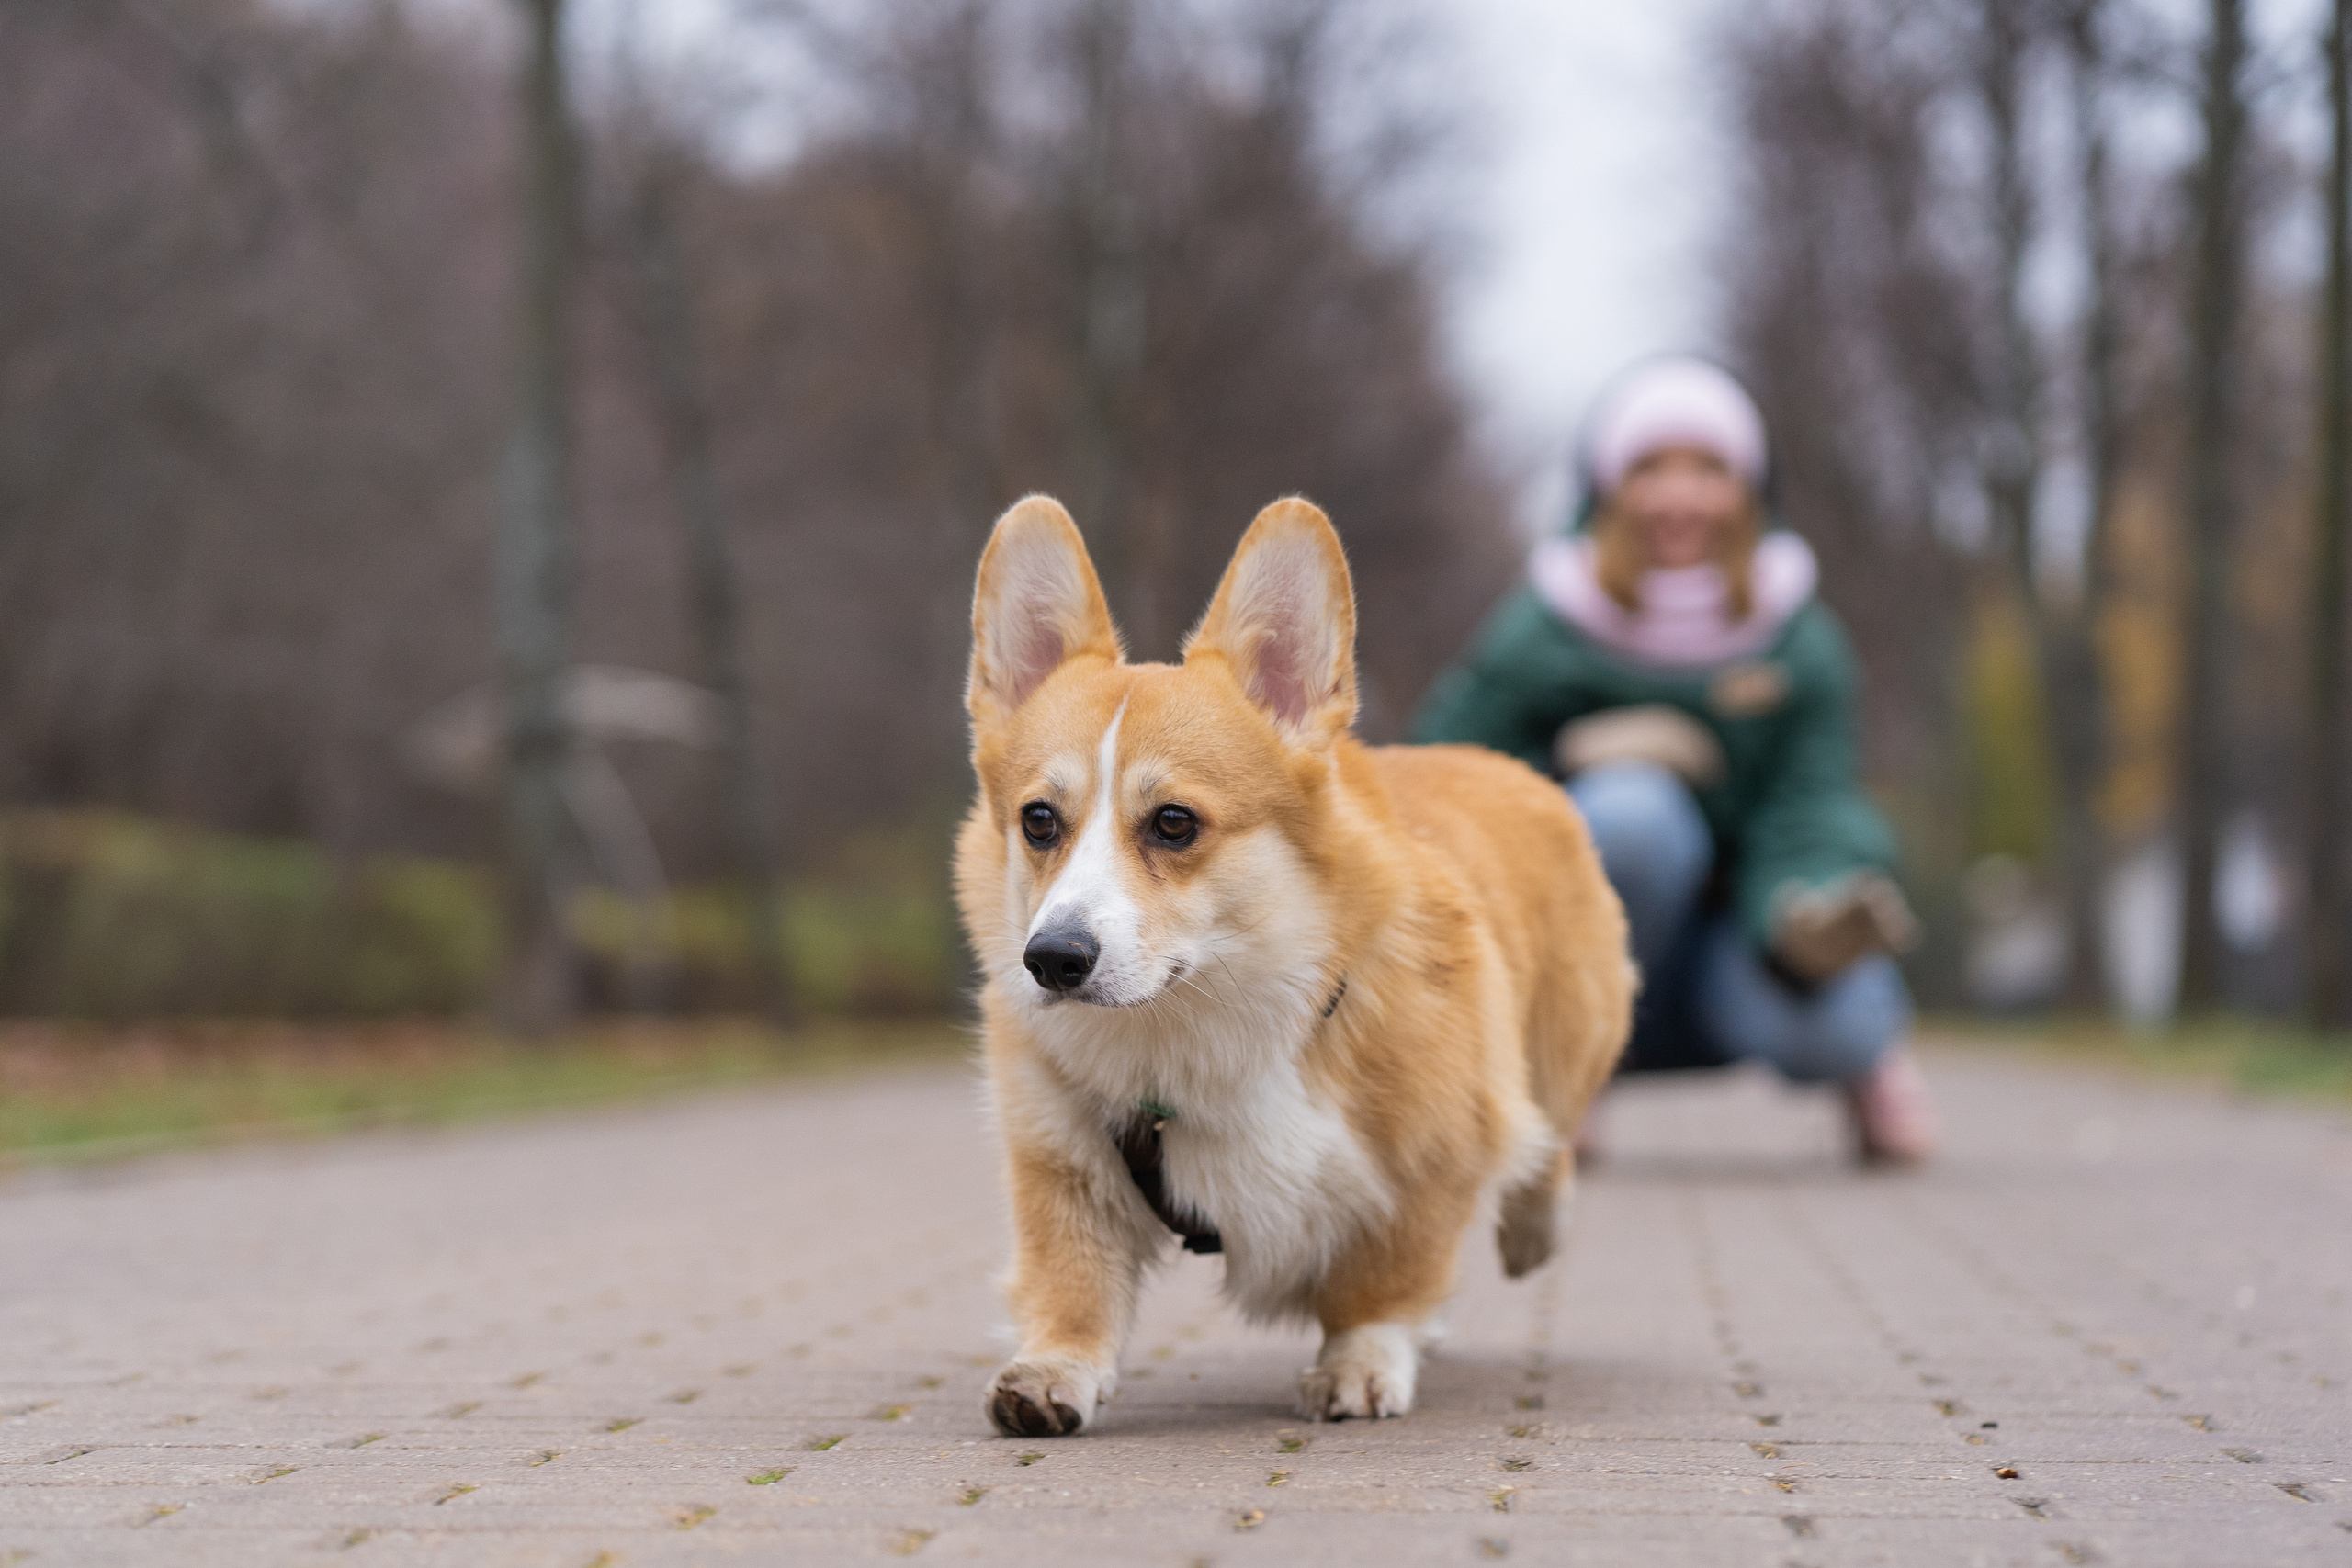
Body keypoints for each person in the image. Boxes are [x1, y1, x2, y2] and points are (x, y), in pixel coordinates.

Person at [1414, 356, 1938, 1164]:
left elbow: (1814, 801)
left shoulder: (1798, 640)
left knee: (1840, 1023)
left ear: (1751, 489)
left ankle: (1868, 1066)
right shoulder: (1546, 626)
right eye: (1650, 468)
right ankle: (1566, 1070)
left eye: (1708, 468)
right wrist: (1567, 759)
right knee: (1631, 817)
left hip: (1741, 943)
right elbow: (1442, 772)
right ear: (1606, 486)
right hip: (1593, 949)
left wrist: (1802, 912)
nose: (1679, 496)